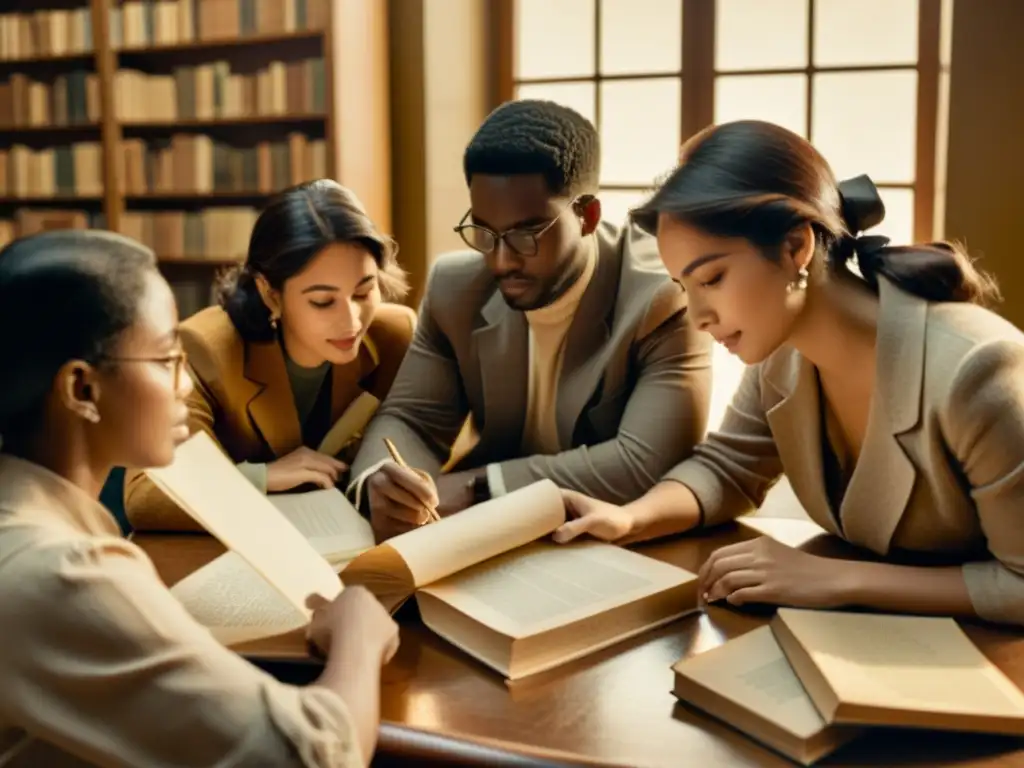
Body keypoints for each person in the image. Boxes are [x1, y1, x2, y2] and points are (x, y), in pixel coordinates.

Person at [551, 119, 1024, 627]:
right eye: (683, 286)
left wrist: (836, 579)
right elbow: (728, 466)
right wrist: (630, 518)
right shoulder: (782, 350)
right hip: (869, 641)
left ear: (796, 247)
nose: (696, 315)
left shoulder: (978, 370)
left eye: (712, 278)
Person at [0, 229, 399, 766]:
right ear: (82, 390)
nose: (185, 386)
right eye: (167, 361)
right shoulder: (61, 573)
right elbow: (312, 756)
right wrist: (359, 636)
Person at [349, 99, 712, 541]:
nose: (500, 261)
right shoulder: (455, 288)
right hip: (488, 541)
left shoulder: (664, 294)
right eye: (483, 232)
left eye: (525, 235)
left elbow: (643, 464)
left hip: (618, 541)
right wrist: (382, 481)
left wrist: (478, 488)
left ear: (587, 216)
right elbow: (411, 418)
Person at [125, 180, 416, 531]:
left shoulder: (394, 336)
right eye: (322, 301)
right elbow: (146, 494)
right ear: (270, 293)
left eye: (364, 292)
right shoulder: (205, 348)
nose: (352, 321)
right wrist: (260, 478)